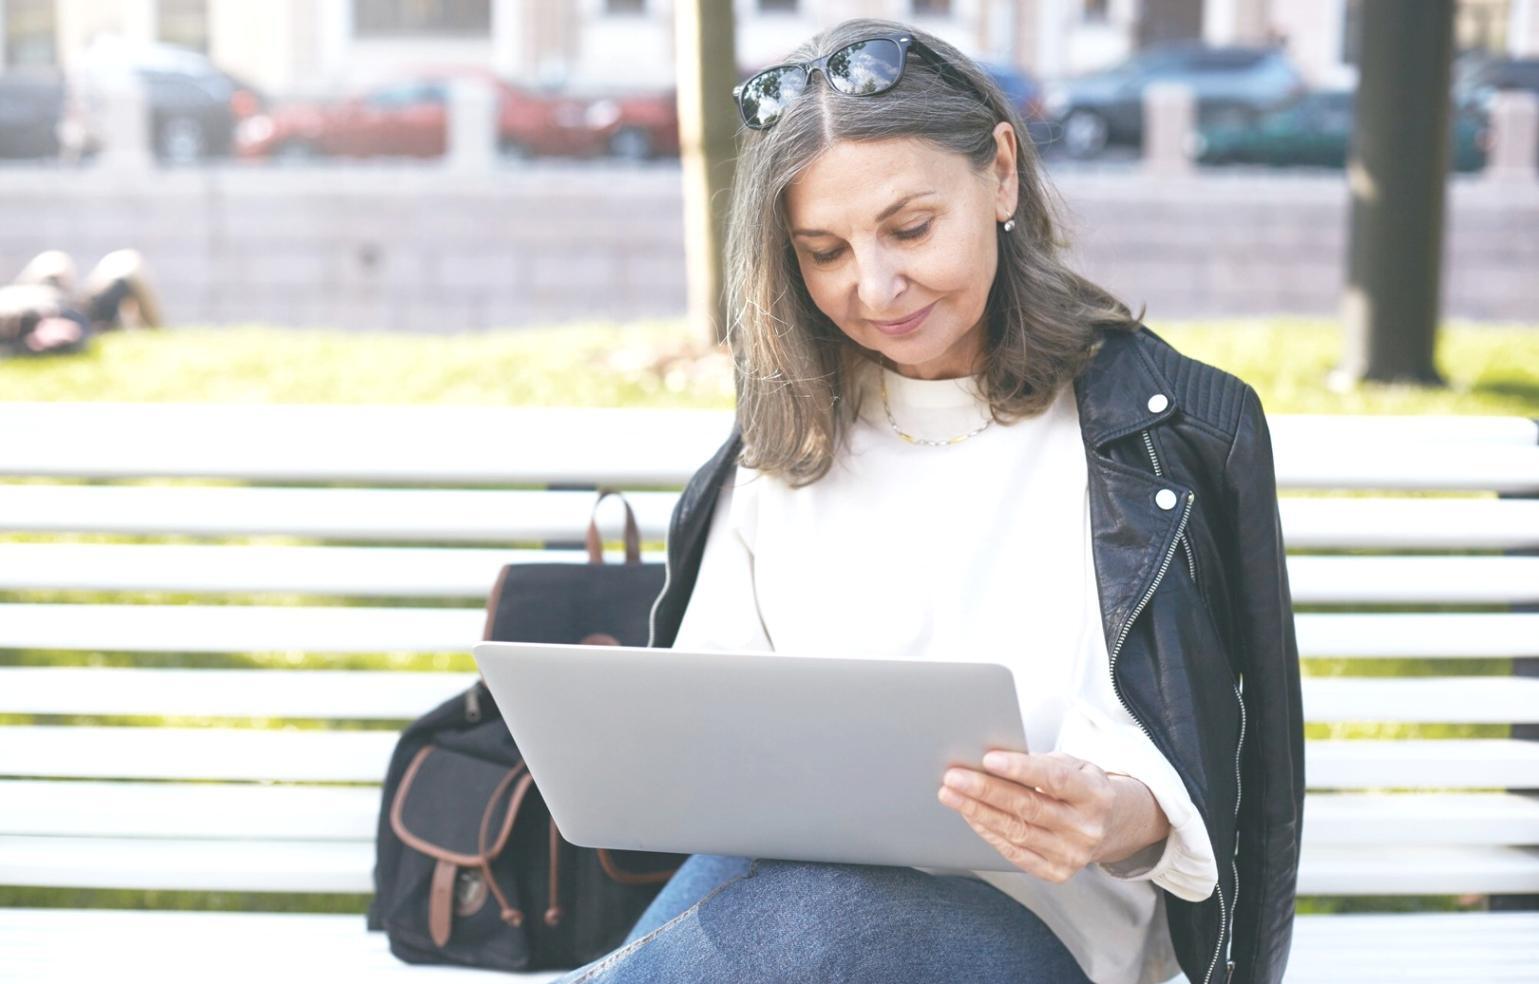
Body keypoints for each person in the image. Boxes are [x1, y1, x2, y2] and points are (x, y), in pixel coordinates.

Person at [553, 18, 1302, 984]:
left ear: (999, 174)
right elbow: (711, 730)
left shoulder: (1166, 432)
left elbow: (1231, 748)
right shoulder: (782, 443)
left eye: (909, 229)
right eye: (822, 251)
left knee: (830, 916)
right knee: (809, 907)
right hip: (787, 902)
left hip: (1047, 927)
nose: (874, 286)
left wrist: (1120, 813)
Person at [0, 248, 164, 357]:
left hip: (47, 301)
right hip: (75, 316)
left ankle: (153, 333)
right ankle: (158, 340)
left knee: (53, 262)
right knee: (128, 265)